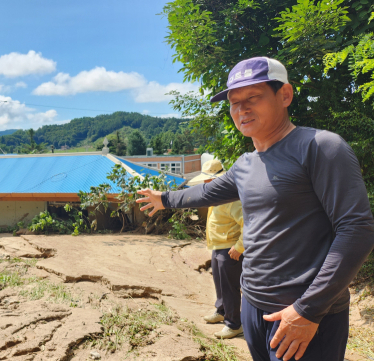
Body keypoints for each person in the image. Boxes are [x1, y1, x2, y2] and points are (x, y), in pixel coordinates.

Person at [136, 57, 374, 361]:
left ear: (284, 95)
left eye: (253, 97)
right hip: (254, 308)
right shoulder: (247, 164)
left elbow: (357, 231)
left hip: (304, 314)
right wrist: (165, 199)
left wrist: (308, 310)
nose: (241, 109)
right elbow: (209, 191)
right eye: (235, 102)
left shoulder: (320, 147)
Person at [189, 160, 245, 339]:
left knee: (230, 287)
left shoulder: (232, 199)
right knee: (220, 284)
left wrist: (239, 247)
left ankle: (234, 324)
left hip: (230, 248)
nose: (205, 184)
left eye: (208, 180)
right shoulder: (216, 196)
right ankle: (221, 311)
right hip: (218, 246)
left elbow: (249, 224)